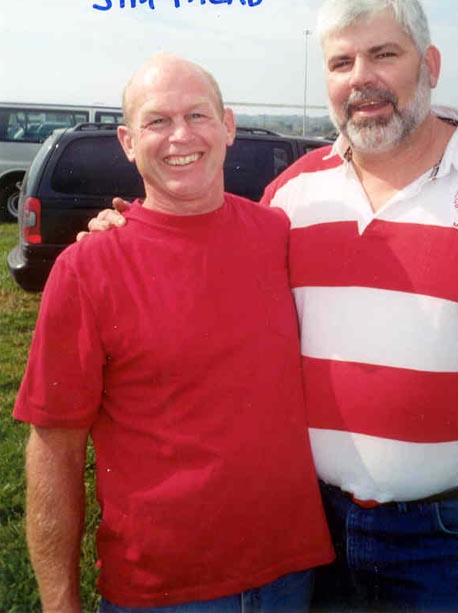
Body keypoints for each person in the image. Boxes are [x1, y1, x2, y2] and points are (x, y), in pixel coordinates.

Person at [85, 0, 458, 613]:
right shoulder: (292, 194)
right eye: (340, 62)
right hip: (315, 529)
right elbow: (205, 252)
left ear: (430, 64)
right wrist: (126, 231)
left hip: (454, 534)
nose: (362, 78)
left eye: (384, 54)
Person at [13, 53, 334, 613]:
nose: (180, 135)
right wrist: (60, 604)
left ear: (228, 126)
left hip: (291, 575)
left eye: (197, 115)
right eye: (157, 121)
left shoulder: (279, 235)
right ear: (128, 141)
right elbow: (54, 450)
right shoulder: (87, 269)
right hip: (161, 592)